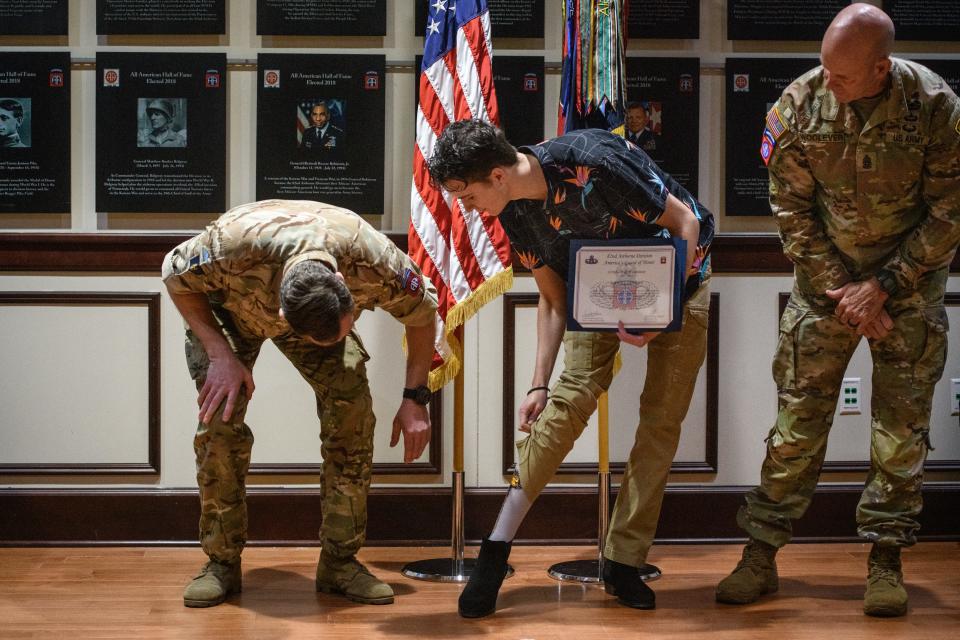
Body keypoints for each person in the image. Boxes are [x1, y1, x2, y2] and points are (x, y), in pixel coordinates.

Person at [716, 3, 960, 618]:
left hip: (908, 290)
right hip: (825, 291)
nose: (829, 82)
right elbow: (792, 215)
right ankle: (761, 554)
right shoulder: (798, 105)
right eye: (823, 68)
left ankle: (885, 558)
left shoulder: (935, 108)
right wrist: (846, 292)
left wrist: (885, 285)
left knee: (900, 434)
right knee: (796, 426)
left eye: (843, 74)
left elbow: (950, 212)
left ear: (881, 67)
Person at [428, 119, 714, 617]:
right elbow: (555, 300)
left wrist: (659, 313)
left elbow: (685, 223)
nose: (464, 207)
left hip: (680, 280)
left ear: (497, 175)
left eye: (465, 194)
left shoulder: (594, 162)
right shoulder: (514, 210)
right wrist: (538, 383)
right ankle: (494, 552)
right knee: (565, 404)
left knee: (660, 422)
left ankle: (624, 561)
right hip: (597, 291)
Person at [162, 199, 439, 608]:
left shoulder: (372, 256)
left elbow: (422, 311)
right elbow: (173, 272)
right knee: (219, 426)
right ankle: (220, 563)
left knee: (353, 417)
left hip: (316, 308)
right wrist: (220, 354)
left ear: (344, 282)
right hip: (230, 313)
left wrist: (415, 398)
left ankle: (340, 564)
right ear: (282, 314)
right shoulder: (233, 245)